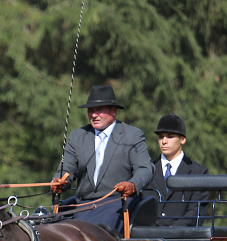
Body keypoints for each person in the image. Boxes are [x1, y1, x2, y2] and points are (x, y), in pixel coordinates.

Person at [51, 85, 153, 230]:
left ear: (114, 111)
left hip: (117, 204)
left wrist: (132, 185)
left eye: (99, 110)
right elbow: (66, 169)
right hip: (84, 206)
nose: (94, 115)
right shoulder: (77, 136)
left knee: (97, 234)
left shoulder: (132, 135)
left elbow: (144, 169)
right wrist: (59, 182)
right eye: (91, 110)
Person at [147, 113, 209, 226]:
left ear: (182, 139)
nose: (164, 141)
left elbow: (197, 210)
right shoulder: (147, 170)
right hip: (149, 238)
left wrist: (174, 229)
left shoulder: (199, 172)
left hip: (183, 239)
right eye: (160, 136)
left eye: (170, 136)